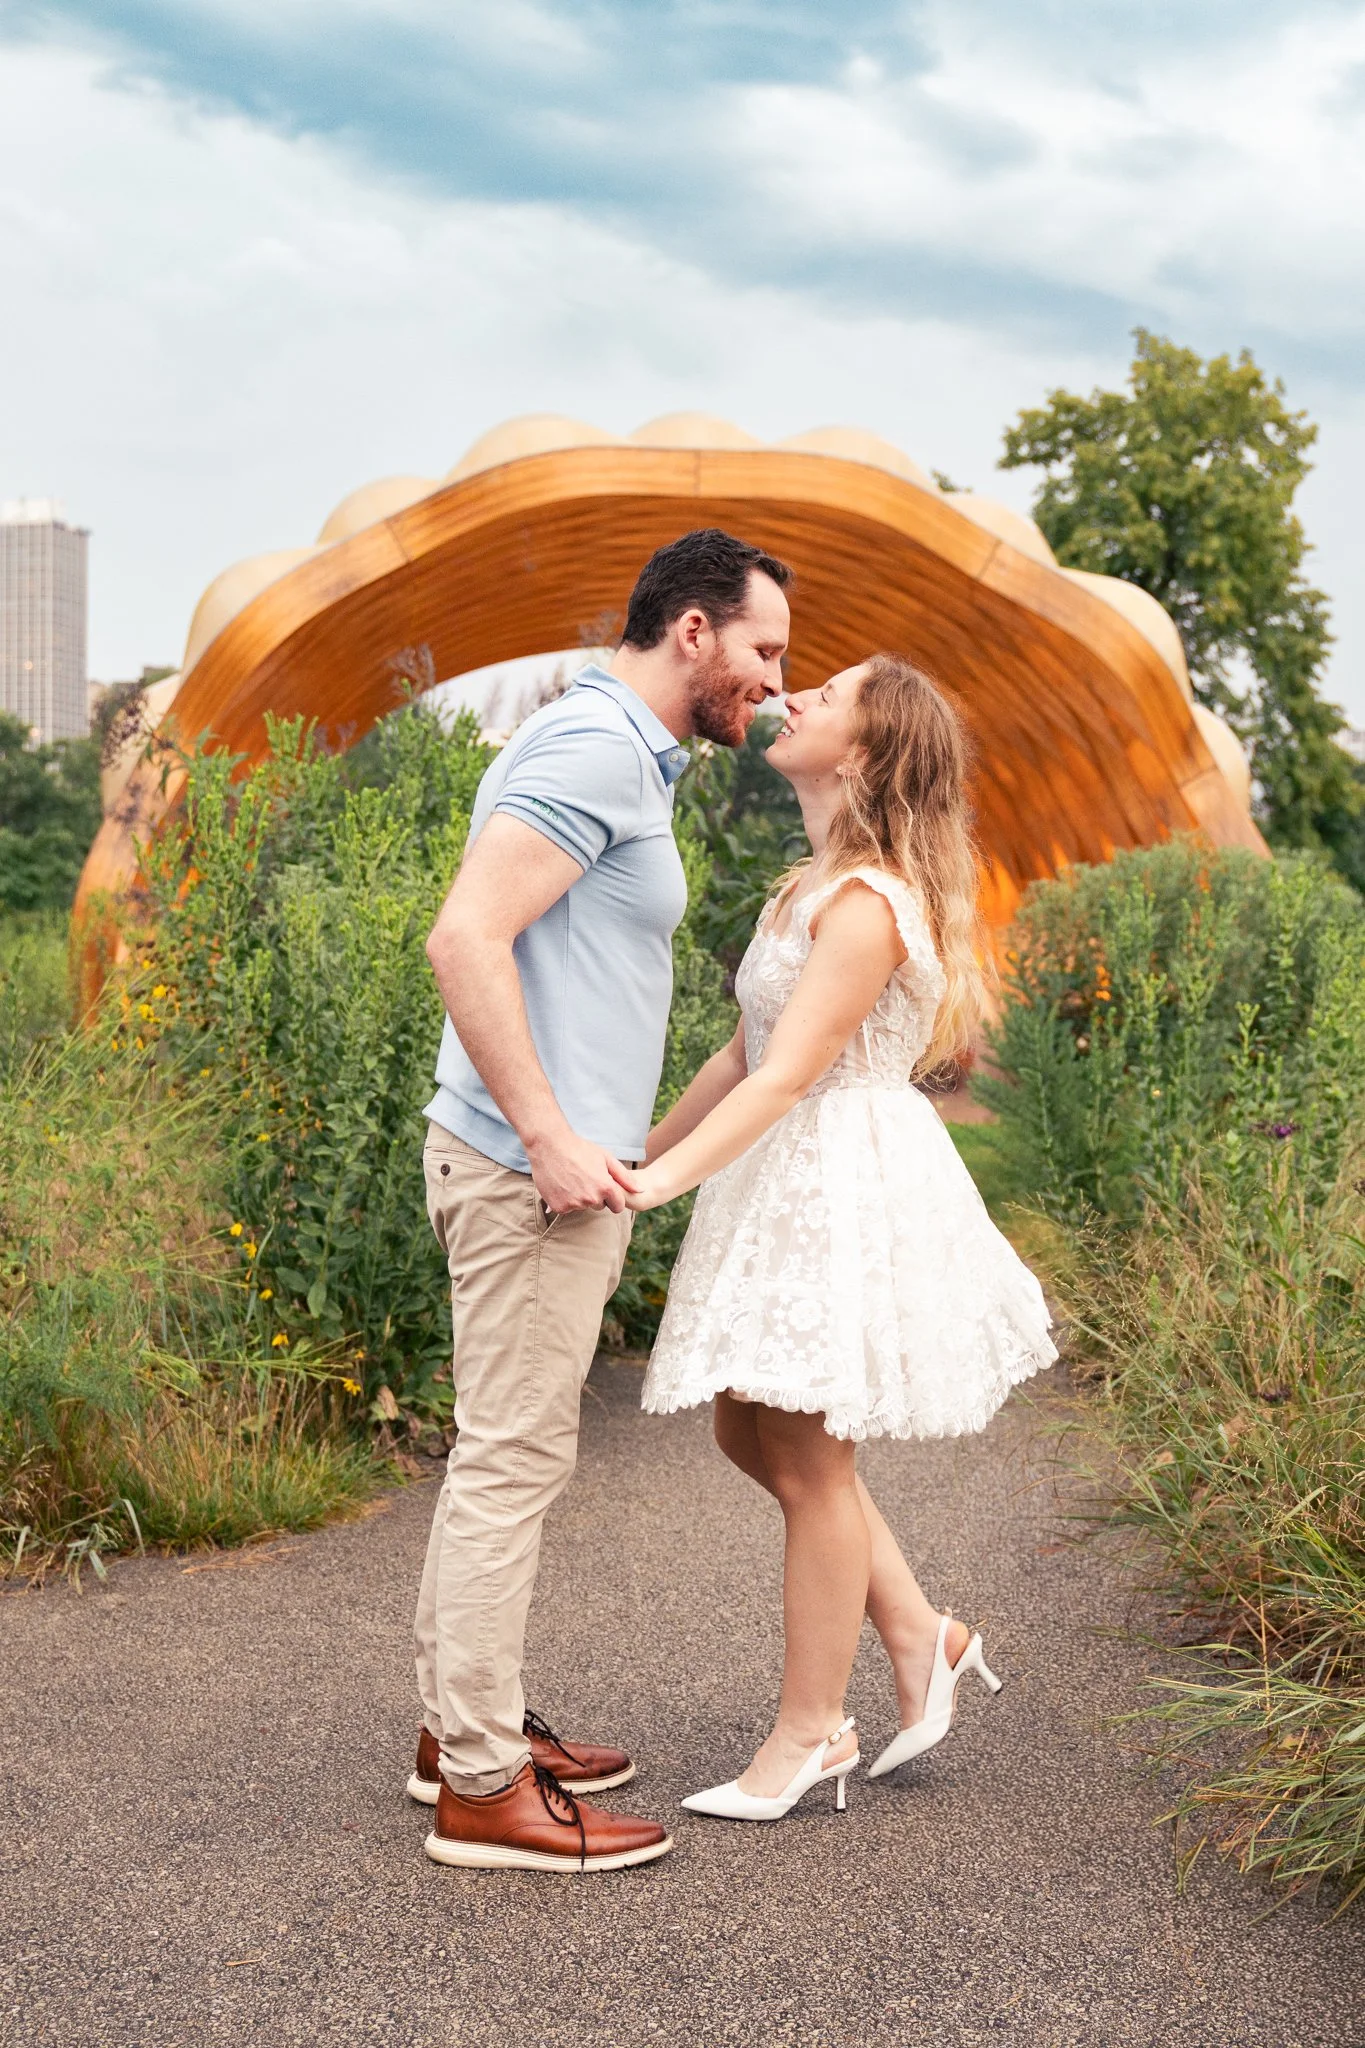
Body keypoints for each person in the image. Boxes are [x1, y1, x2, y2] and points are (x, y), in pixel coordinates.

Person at [411, 527, 791, 1871]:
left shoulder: (623, 751)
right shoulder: (591, 751)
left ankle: (469, 1723)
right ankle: (477, 1785)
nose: (774, 681)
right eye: (762, 649)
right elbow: (465, 935)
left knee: (499, 1454)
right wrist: (549, 1133)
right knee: (512, 1461)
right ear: (692, 630)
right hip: (528, 1178)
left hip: (536, 1167)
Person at [631, 654, 1057, 1820]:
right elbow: (735, 1055)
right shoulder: (804, 885)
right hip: (787, 1167)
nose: (798, 694)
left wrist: (655, 1188)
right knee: (742, 1425)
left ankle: (811, 1730)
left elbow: (785, 1078)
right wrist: (632, 1153)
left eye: (831, 694)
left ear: (864, 752)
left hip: (839, 1175)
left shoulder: (869, 902)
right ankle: (923, 1629)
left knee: (814, 1462)